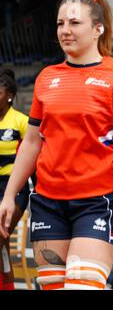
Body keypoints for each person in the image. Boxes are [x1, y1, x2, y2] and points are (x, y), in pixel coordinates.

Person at [0, 0, 113, 290]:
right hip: (47, 203)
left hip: (99, 203)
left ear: (98, 29)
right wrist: (9, 195)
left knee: (81, 286)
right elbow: (32, 142)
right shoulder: (46, 77)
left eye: (75, 23)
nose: (65, 30)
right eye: (60, 23)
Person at [0, 70, 30, 290]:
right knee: (2, 244)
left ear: (9, 94)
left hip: (14, 189)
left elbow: (35, 156)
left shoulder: (22, 121)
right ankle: (7, 283)